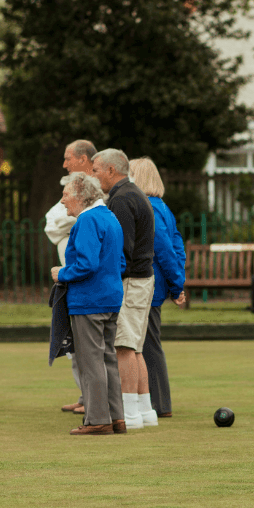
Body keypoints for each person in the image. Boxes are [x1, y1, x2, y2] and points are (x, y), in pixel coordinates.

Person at [50, 172, 125, 435]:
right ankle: (117, 418)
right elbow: (120, 262)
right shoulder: (109, 217)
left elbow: (86, 264)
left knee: (90, 361)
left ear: (82, 195)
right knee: (108, 359)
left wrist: (62, 273)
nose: (62, 201)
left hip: (89, 301)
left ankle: (96, 420)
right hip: (111, 298)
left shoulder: (88, 220)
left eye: (66, 194)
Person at [92, 148, 156, 428]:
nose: (93, 176)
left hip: (131, 280)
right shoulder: (133, 193)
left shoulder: (122, 199)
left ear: (110, 170)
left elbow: (122, 250)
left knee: (124, 346)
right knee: (135, 347)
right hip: (142, 279)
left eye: (95, 170)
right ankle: (144, 410)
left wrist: (108, 280)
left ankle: (129, 413)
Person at [129, 157, 186, 418]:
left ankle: (159, 404)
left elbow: (164, 250)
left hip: (151, 285)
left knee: (149, 345)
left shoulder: (148, 208)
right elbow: (177, 247)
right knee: (149, 342)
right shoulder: (163, 207)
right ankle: (154, 401)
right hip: (161, 284)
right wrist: (177, 282)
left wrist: (176, 286)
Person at [44, 139, 98, 415]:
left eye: (68, 158)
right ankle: (84, 395)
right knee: (76, 346)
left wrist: (70, 221)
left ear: (85, 159)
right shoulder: (72, 188)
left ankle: (96, 401)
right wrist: (69, 220)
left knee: (91, 348)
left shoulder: (96, 194)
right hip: (71, 277)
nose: (64, 164)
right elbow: (51, 224)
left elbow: (74, 221)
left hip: (83, 279)